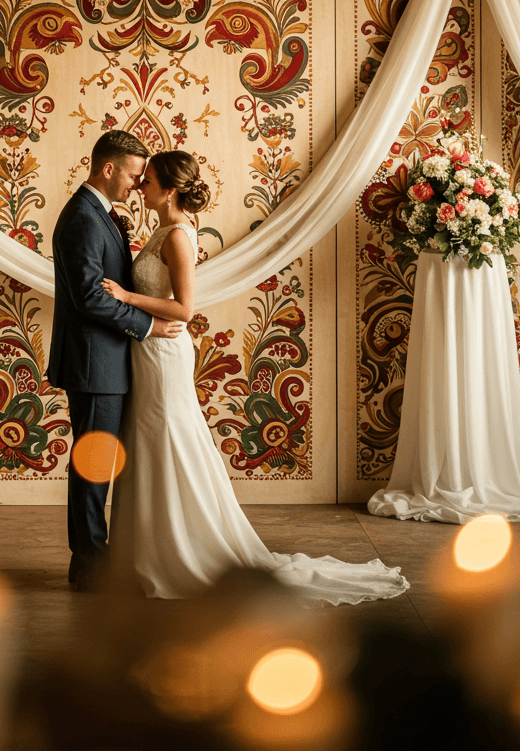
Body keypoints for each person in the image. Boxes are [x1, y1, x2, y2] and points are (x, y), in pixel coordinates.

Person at [103, 149, 409, 606]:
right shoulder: (162, 230)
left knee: (169, 439)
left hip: (165, 353)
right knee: (148, 441)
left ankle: (183, 550)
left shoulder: (179, 238)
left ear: (168, 190)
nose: (140, 186)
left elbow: (185, 309)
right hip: (148, 350)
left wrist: (127, 295)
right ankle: (148, 550)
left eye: (147, 181)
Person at [47, 130, 184, 593]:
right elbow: (89, 296)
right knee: (94, 461)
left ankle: (92, 558)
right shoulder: (83, 218)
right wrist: (147, 326)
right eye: (132, 174)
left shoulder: (99, 213)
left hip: (108, 359)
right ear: (108, 169)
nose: (136, 183)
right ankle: (89, 564)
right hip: (94, 361)